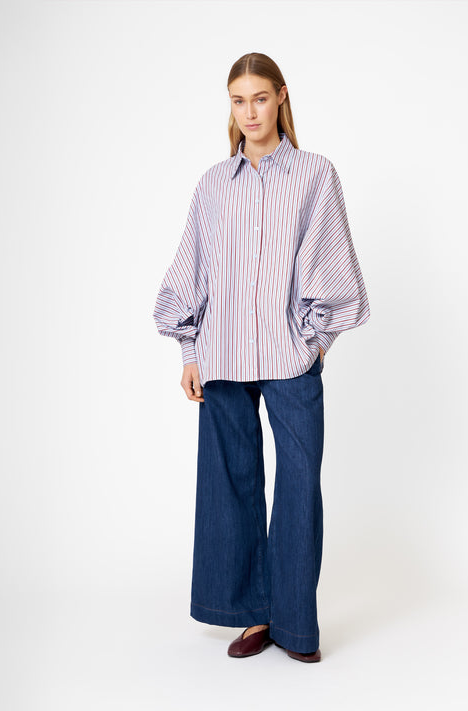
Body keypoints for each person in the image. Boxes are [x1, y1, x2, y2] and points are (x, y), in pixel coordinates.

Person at [153, 52, 370, 663]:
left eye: (259, 98)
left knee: (299, 487)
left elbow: (332, 263)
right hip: (222, 357)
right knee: (230, 486)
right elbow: (193, 269)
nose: (249, 112)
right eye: (238, 100)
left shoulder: (314, 174)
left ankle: (295, 623)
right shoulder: (213, 184)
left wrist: (314, 344)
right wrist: (190, 350)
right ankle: (253, 615)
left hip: (289, 357)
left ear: (281, 97)